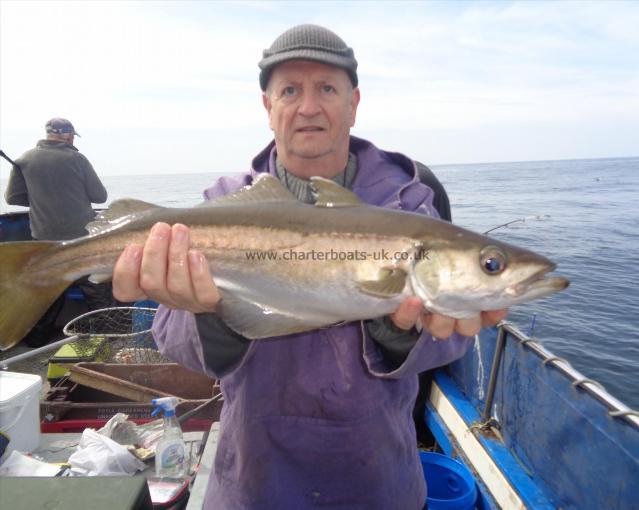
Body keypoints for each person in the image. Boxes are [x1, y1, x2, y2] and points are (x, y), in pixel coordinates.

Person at [112, 25, 507, 510]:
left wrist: (399, 330)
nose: (308, 107)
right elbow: (174, 341)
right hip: (255, 480)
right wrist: (209, 313)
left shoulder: (410, 206)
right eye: (291, 90)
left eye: (326, 88)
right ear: (267, 105)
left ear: (353, 101)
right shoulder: (220, 207)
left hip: (379, 478)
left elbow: (451, 339)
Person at [5, 118, 111, 345]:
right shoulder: (77, 159)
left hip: (43, 240)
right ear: (69, 136)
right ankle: (104, 334)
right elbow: (100, 196)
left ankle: (36, 340)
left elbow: (12, 198)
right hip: (80, 239)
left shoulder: (25, 160)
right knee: (95, 286)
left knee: (48, 292)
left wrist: (41, 199)